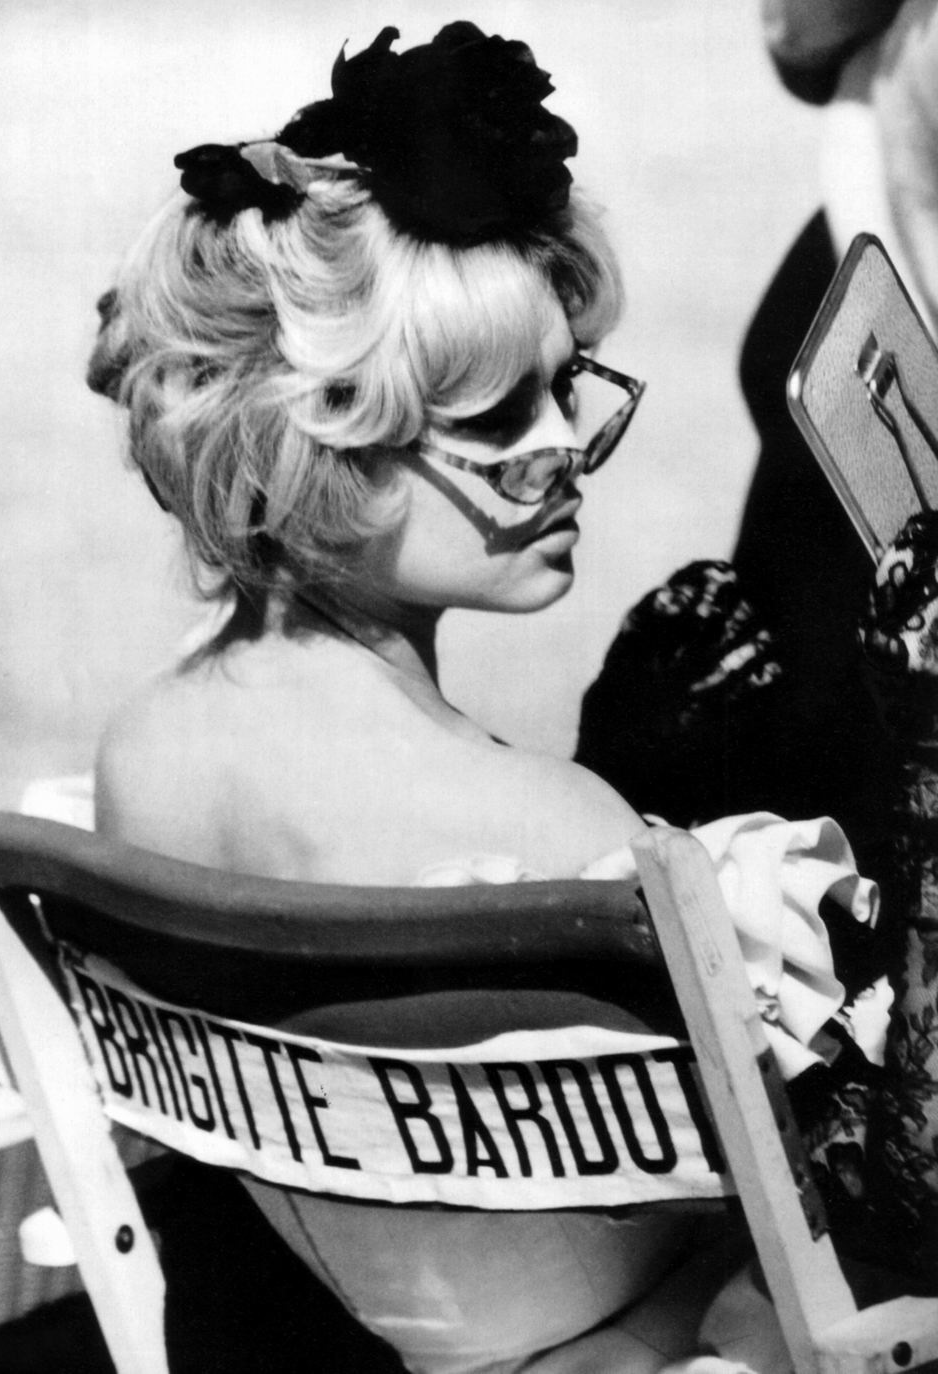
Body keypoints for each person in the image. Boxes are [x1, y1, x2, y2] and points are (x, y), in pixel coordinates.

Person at [85, 22, 909, 1374]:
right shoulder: (553, 828)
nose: (565, 444)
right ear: (322, 448)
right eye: (492, 417)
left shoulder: (144, 749)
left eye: (563, 382)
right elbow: (878, 1163)